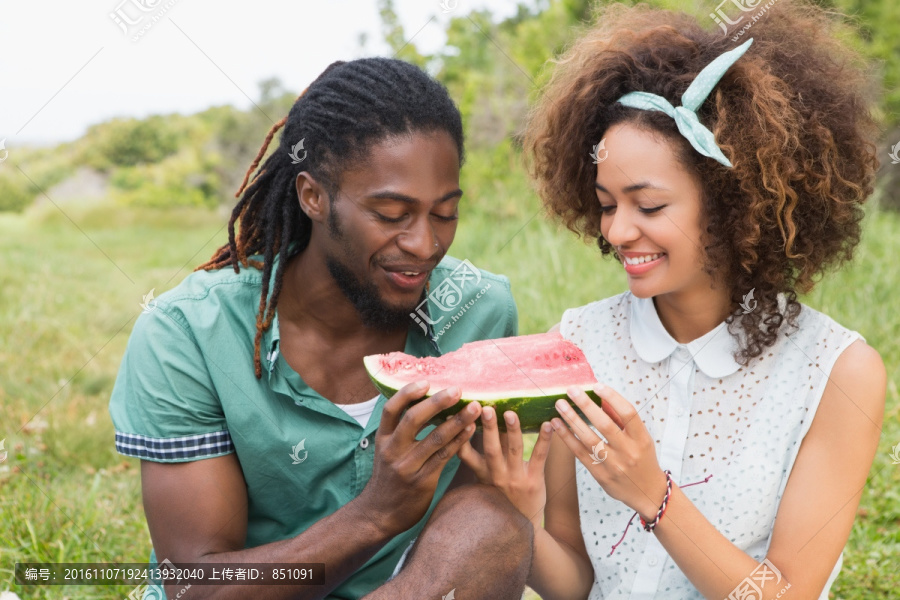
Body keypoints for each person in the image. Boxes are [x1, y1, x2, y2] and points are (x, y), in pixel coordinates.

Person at [458, 1, 886, 598]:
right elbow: (575, 583)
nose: (616, 232)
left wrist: (650, 494)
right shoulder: (579, 345)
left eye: (649, 206)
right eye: (607, 204)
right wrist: (523, 519)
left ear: (735, 199)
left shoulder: (839, 373)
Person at [108, 57, 533, 600]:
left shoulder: (478, 311)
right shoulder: (186, 334)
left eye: (444, 213)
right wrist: (375, 515)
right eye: (391, 213)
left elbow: (467, 534)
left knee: (490, 523)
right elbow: (198, 588)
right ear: (313, 196)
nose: (425, 245)